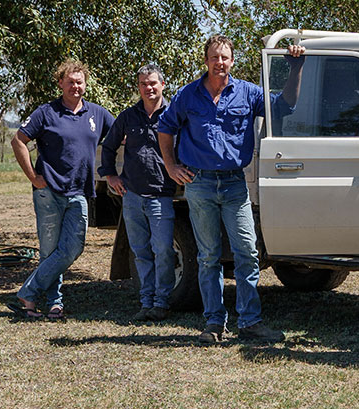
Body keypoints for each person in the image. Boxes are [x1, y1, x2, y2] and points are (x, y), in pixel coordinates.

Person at [157, 35, 304, 344]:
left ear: (232, 61)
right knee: (208, 256)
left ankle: (250, 322)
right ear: (206, 60)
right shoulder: (188, 95)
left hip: (235, 184)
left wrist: (295, 68)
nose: (219, 62)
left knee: (247, 252)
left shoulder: (248, 93)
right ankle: (214, 323)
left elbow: (285, 106)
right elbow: (165, 128)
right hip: (199, 184)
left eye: (225, 57)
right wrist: (171, 167)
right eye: (214, 57)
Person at [9, 59, 114, 321]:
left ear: (86, 85)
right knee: (50, 250)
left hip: (79, 192)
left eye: (79, 82)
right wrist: (33, 177)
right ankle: (53, 303)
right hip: (49, 192)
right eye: (70, 82)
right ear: (60, 83)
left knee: (72, 248)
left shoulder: (97, 115)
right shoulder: (46, 112)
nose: (75, 87)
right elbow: (18, 140)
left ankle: (28, 291)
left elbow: (120, 136)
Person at [99, 64, 177, 323]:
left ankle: (162, 302)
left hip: (161, 195)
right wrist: (110, 175)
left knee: (164, 249)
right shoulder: (128, 116)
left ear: (162, 85)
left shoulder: (173, 114)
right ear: (139, 87)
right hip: (132, 196)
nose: (148, 88)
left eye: (153, 83)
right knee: (141, 251)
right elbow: (108, 146)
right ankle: (146, 303)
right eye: (143, 84)